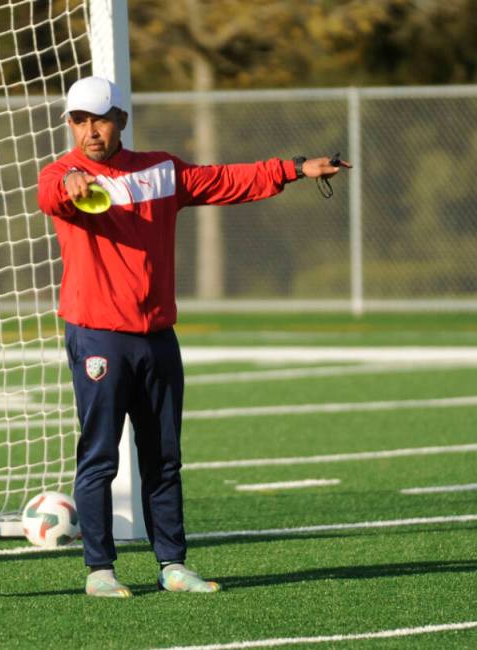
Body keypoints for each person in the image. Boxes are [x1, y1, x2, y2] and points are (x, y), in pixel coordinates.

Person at [37, 76, 350, 598]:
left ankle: (173, 565)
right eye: (79, 120)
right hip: (98, 338)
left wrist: (294, 169)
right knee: (99, 457)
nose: (90, 130)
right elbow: (53, 194)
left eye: (99, 118)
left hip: (158, 337)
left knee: (163, 457)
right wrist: (71, 186)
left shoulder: (160, 170)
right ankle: (99, 570)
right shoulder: (63, 173)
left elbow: (224, 179)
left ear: (122, 119)